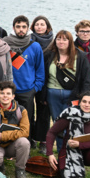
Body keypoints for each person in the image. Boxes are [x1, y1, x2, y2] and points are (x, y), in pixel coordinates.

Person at [3, 15, 45, 146]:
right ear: (13, 27)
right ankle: (10, 143)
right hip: (9, 90)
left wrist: (35, 88)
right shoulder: (5, 44)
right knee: (9, 118)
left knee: (27, 119)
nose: (21, 30)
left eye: (24, 27)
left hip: (27, 90)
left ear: (28, 28)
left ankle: (27, 142)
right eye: (18, 27)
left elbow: (40, 69)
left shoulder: (35, 46)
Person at [0, 80, 31, 178]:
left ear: (13, 96)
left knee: (24, 142)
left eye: (8, 94)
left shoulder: (21, 111)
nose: (5, 96)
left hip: (12, 146)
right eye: (2, 93)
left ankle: (20, 170)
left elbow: (25, 131)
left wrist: (3, 136)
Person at [42, 30, 90, 125]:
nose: (61, 42)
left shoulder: (81, 56)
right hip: (52, 94)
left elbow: (86, 79)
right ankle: (59, 140)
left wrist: (83, 97)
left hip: (73, 94)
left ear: (70, 41)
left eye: (65, 39)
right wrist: (43, 96)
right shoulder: (49, 55)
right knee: (57, 123)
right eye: (58, 39)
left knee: (69, 123)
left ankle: (68, 140)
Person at [31, 15, 54, 150]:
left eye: (42, 24)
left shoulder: (53, 42)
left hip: (47, 81)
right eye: (37, 24)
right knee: (29, 111)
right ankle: (32, 137)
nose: (39, 27)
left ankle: (44, 140)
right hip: (30, 79)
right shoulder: (28, 40)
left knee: (44, 112)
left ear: (47, 27)